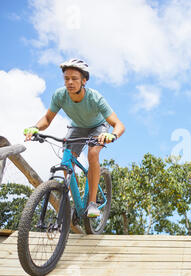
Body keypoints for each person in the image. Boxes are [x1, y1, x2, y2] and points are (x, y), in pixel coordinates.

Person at [23, 58, 125, 218]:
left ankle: (92, 203)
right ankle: (74, 202)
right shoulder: (60, 96)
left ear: (84, 81)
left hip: (98, 127)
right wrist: (35, 127)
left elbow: (118, 124)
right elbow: (47, 119)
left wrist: (112, 135)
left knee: (92, 154)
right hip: (76, 127)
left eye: (74, 79)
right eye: (66, 78)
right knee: (66, 160)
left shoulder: (95, 98)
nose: (69, 82)